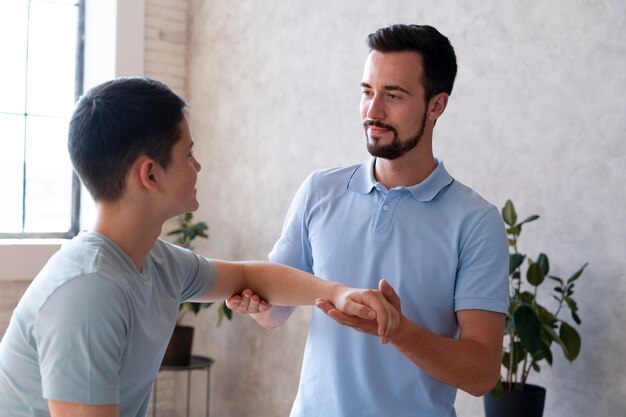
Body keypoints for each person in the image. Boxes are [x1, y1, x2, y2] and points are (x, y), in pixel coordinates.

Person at [0, 77, 399, 417]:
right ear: (150, 174)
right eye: (188, 153)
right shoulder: (88, 293)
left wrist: (338, 294)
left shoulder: (154, 261)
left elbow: (247, 275)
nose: (198, 166)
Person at [227, 24, 510, 416]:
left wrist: (400, 331)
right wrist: (256, 304)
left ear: (436, 106)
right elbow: (275, 314)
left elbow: (481, 375)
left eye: (392, 96)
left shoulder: (476, 222)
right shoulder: (319, 190)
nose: (372, 111)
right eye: (367, 92)